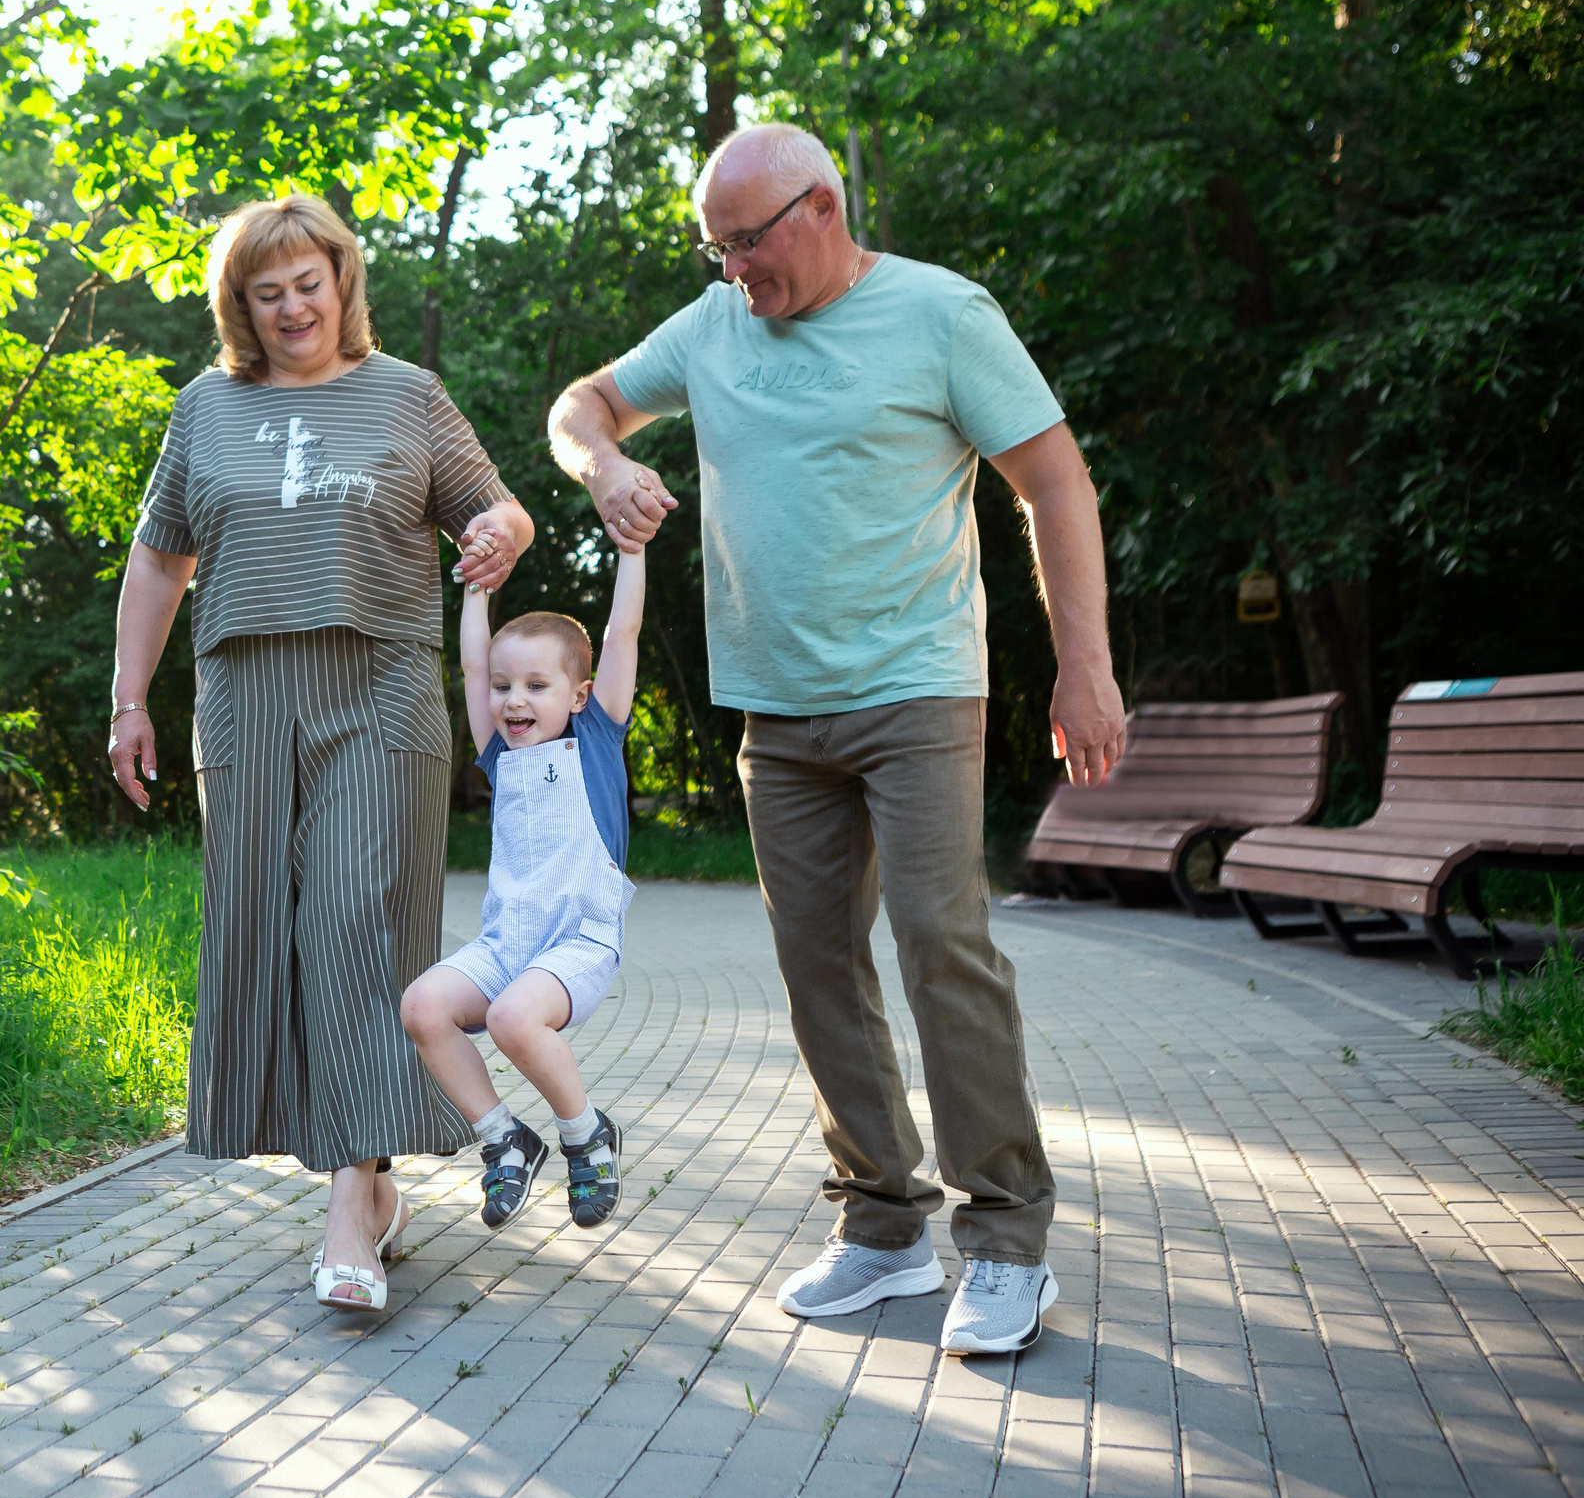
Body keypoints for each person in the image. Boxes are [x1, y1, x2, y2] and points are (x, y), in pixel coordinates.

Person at [546, 122, 1129, 1356]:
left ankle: (1010, 1239)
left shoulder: (941, 315)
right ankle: (880, 1227)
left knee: (938, 943)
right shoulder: (711, 331)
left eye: (746, 246)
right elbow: (581, 404)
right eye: (716, 254)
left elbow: (1056, 484)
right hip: (777, 710)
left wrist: (1083, 667)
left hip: (918, 689)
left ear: (819, 208)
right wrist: (600, 463)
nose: (734, 275)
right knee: (818, 970)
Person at [108, 194, 534, 1315]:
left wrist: (502, 532)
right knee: (276, 937)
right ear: (239, 305)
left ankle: (352, 1200)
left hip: (380, 689)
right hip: (244, 697)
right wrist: (127, 702)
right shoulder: (205, 408)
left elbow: (497, 510)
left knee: (358, 921)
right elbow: (158, 563)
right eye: (267, 290)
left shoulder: (408, 396)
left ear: (342, 281)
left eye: (310, 282)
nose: (293, 305)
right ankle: (375, 1184)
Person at [398, 545, 644, 1234]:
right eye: (505, 687)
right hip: (507, 943)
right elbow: (473, 663)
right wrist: (476, 588)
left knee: (512, 1018)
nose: (513, 699)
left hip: (579, 942)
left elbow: (622, 632)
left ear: (579, 694)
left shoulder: (598, 737)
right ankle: (506, 1137)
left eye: (537, 685)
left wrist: (630, 549)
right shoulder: (499, 751)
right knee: (422, 1006)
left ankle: (586, 1136)